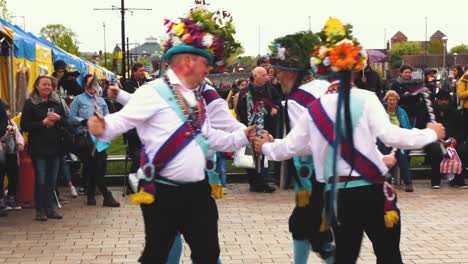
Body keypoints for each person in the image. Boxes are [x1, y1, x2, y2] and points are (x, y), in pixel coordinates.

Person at [254, 18, 446, 263]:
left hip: (338, 197)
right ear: (357, 71)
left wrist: (266, 146)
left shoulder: (315, 108)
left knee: (345, 257)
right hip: (374, 193)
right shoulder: (366, 99)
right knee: (388, 255)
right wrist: (431, 133)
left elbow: (293, 147)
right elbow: (392, 135)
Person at [88, 6, 250, 264]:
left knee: (208, 254)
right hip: (162, 194)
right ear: (188, 62)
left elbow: (210, 138)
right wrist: (102, 126)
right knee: (156, 256)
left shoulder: (197, 99)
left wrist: (244, 136)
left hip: (198, 192)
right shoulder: (152, 92)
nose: (208, 70)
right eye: (205, 63)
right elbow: (122, 120)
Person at [267, 31, 335, 263]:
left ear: (290, 73)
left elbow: (302, 145)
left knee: (315, 231)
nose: (276, 79)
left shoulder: (296, 100)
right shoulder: (326, 86)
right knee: (304, 225)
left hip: (315, 174)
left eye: (278, 73)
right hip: (339, 169)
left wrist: (269, 145)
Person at [20, 75, 67, 221]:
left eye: (49, 85)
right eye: (44, 84)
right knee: (40, 179)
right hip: (38, 148)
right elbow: (24, 125)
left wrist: (59, 119)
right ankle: (39, 210)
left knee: (52, 180)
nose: (47, 87)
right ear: (36, 86)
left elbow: (67, 122)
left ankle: (50, 208)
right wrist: (42, 123)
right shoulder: (30, 103)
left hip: (55, 147)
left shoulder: (58, 102)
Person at [69, 74, 120, 207]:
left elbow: (107, 116)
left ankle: (91, 195)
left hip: (100, 138)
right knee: (94, 166)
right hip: (86, 138)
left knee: (97, 166)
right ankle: (107, 195)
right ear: (85, 84)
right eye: (91, 83)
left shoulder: (101, 101)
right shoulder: (78, 100)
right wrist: (84, 121)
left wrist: (106, 123)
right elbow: (71, 117)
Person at [237, 67, 279, 193]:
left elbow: (277, 100)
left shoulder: (270, 88)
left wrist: (275, 107)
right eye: (264, 75)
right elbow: (240, 109)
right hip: (251, 127)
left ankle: (264, 183)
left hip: (266, 127)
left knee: (264, 153)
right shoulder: (245, 92)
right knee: (251, 155)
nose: (267, 77)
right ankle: (254, 183)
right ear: (256, 76)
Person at [420, 89, 467, 189]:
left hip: (452, 141)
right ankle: (435, 181)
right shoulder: (429, 112)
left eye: (446, 100)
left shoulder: (454, 112)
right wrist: (434, 137)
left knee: (462, 149)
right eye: (441, 100)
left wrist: (455, 139)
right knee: (436, 150)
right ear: (437, 100)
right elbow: (421, 127)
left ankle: (459, 180)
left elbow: (462, 129)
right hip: (433, 141)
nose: (444, 102)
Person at [378, 91, 415, 192]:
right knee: (385, 153)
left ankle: (408, 182)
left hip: (399, 140)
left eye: (394, 100)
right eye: (390, 99)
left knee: (402, 157)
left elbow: (407, 127)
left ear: (397, 101)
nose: (392, 102)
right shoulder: (381, 112)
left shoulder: (402, 112)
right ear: (386, 100)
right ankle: (386, 181)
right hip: (385, 140)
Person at [123, 63, 148, 180]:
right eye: (140, 71)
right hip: (133, 130)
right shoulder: (128, 85)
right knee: (138, 158)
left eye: (144, 71)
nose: (143, 73)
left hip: (147, 128)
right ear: (134, 72)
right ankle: (132, 179)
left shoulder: (148, 84)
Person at [0, 105, 25, 214]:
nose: (7, 113)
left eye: (7, 110)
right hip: (1, 152)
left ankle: (11, 198)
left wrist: (20, 143)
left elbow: (19, 136)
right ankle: (1, 200)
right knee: (1, 176)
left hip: (12, 153)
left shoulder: (12, 123)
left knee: (13, 175)